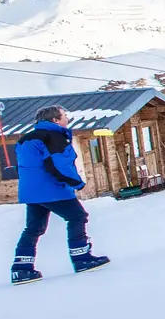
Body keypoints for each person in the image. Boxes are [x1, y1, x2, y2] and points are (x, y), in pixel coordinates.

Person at [8, 105, 109, 284]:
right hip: (52, 189)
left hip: (32, 191)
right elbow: (58, 165)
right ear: (54, 120)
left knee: (33, 228)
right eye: (64, 116)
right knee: (78, 216)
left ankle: (21, 269)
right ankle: (81, 258)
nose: (67, 119)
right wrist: (76, 183)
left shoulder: (25, 139)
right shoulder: (54, 136)